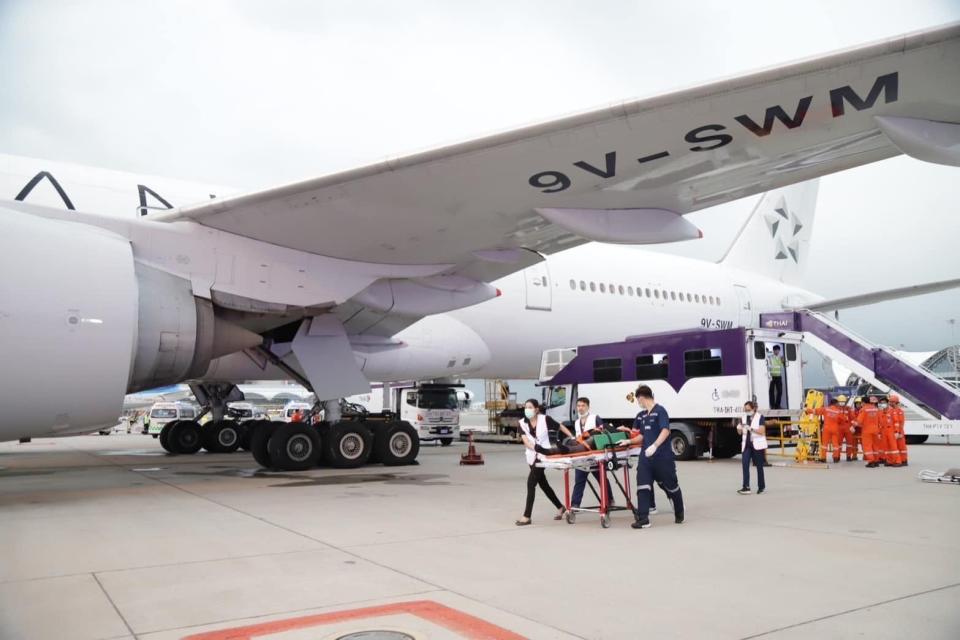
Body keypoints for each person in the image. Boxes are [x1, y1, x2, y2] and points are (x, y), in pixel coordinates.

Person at [619, 385, 684, 528]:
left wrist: (654, 446)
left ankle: (679, 511)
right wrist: (629, 441)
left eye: (638, 400)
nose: (638, 403)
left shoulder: (661, 411)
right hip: (646, 459)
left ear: (642, 398)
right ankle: (643, 519)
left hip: (662, 457)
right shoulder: (642, 415)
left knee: (671, 486)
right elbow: (642, 435)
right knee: (642, 485)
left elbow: (665, 431)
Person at [516, 399, 565, 526]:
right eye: (526, 407)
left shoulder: (545, 419)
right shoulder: (521, 423)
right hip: (532, 455)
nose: (527, 409)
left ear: (536, 409)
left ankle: (527, 516)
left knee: (530, 483)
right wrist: (534, 448)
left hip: (543, 455)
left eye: (530, 407)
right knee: (543, 484)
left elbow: (560, 426)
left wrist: (572, 437)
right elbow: (525, 440)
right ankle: (560, 507)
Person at [567, 397, 614, 510]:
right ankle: (575, 504)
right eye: (578, 406)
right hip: (582, 456)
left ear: (588, 406)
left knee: (601, 479)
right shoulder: (577, 422)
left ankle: (609, 499)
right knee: (579, 480)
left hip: (595, 455)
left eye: (583, 406)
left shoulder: (595, 418)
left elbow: (603, 434)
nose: (580, 408)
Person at [737, 401, 768, 494]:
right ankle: (746, 487)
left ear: (754, 409)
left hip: (757, 445)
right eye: (745, 410)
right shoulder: (743, 417)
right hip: (747, 445)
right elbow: (740, 433)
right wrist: (739, 428)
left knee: (759, 466)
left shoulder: (760, 417)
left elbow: (762, 431)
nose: (747, 411)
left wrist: (750, 428)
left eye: (748, 410)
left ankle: (761, 487)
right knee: (745, 464)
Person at [808, 397, 844, 463]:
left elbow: (816, 411)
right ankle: (836, 458)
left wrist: (807, 411)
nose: (838, 405)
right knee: (835, 444)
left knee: (824, 444)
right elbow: (842, 420)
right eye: (838, 403)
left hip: (826, 429)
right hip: (835, 429)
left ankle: (823, 458)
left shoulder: (826, 409)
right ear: (835, 403)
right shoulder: (838, 411)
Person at [853, 395, 882, 468]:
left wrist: (853, 423)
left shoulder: (863, 409)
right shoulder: (876, 409)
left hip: (867, 430)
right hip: (876, 430)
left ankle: (871, 461)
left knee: (867, 446)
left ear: (863, 402)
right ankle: (876, 461)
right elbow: (880, 421)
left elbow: (859, 421)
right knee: (875, 446)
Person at [877, 397, 902, 467]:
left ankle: (897, 461)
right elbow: (879, 424)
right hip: (883, 431)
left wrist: (897, 431)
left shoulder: (892, 411)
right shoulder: (880, 412)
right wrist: (879, 433)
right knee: (886, 447)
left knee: (893, 447)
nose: (883, 404)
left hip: (891, 431)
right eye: (881, 403)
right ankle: (889, 461)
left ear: (887, 403)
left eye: (884, 403)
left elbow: (896, 422)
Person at [889, 394, 908, 466]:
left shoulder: (899, 411)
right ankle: (902, 460)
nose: (890, 403)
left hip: (898, 431)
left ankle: (902, 460)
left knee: (901, 447)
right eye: (890, 402)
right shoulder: (892, 410)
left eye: (891, 402)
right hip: (895, 431)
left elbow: (900, 423)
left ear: (896, 402)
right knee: (898, 447)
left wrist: (899, 432)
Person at [836, 395, 857, 461]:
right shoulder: (836, 409)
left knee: (849, 443)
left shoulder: (848, 409)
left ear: (845, 401)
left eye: (843, 401)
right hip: (839, 428)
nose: (842, 403)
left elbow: (853, 418)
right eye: (840, 401)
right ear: (838, 402)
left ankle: (848, 456)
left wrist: (853, 426)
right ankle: (837, 456)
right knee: (838, 443)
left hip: (848, 428)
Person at [766, 345, 785, 409]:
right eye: (775, 350)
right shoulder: (770, 357)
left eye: (778, 350)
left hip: (778, 376)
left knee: (780, 391)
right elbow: (768, 365)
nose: (777, 351)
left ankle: (777, 405)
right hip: (771, 376)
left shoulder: (781, 358)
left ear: (779, 351)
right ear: (773, 350)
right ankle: (773, 405)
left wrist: (783, 361)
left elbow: (782, 366)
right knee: (771, 391)